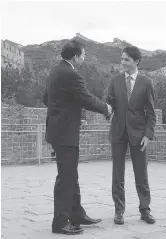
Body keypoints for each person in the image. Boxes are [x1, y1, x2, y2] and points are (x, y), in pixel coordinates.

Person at [43, 39, 112, 235]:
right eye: (83, 54)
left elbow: (45, 98)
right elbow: (85, 98)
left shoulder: (56, 71)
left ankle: (76, 214)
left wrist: (61, 109)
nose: (85, 57)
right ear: (75, 56)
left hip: (58, 131)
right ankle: (60, 222)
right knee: (66, 177)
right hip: (65, 132)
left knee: (70, 174)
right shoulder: (71, 74)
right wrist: (106, 108)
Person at [106, 46, 156, 225]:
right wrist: (104, 109)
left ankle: (145, 210)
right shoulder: (115, 81)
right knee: (117, 175)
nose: (123, 62)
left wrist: (148, 135)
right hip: (118, 133)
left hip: (139, 134)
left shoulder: (146, 82)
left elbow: (151, 112)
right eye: (122, 59)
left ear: (136, 61)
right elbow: (109, 103)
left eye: (126, 59)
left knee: (141, 174)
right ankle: (119, 211)